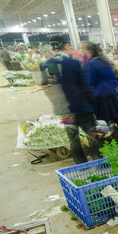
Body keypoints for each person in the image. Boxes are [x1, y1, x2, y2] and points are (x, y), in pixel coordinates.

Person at [44, 35, 102, 164]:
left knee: (73, 138)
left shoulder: (47, 64)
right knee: (92, 135)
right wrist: (92, 102)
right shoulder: (73, 63)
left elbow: (48, 87)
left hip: (63, 109)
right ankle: (99, 162)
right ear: (65, 46)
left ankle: (80, 164)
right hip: (81, 106)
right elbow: (85, 85)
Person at [87, 43, 118, 143]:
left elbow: (92, 81)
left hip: (101, 95)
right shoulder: (107, 61)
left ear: (91, 52)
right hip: (113, 93)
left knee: (104, 121)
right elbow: (114, 75)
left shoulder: (92, 63)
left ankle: (112, 142)